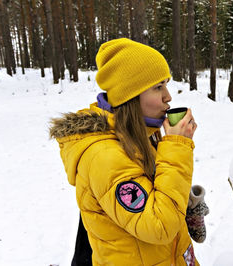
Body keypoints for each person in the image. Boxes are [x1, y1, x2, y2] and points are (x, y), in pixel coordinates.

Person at [49, 38, 202, 265]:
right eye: (158, 87)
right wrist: (177, 148)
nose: (168, 96)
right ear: (129, 95)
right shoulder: (104, 156)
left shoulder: (138, 134)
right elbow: (159, 226)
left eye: (166, 84)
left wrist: (185, 201)